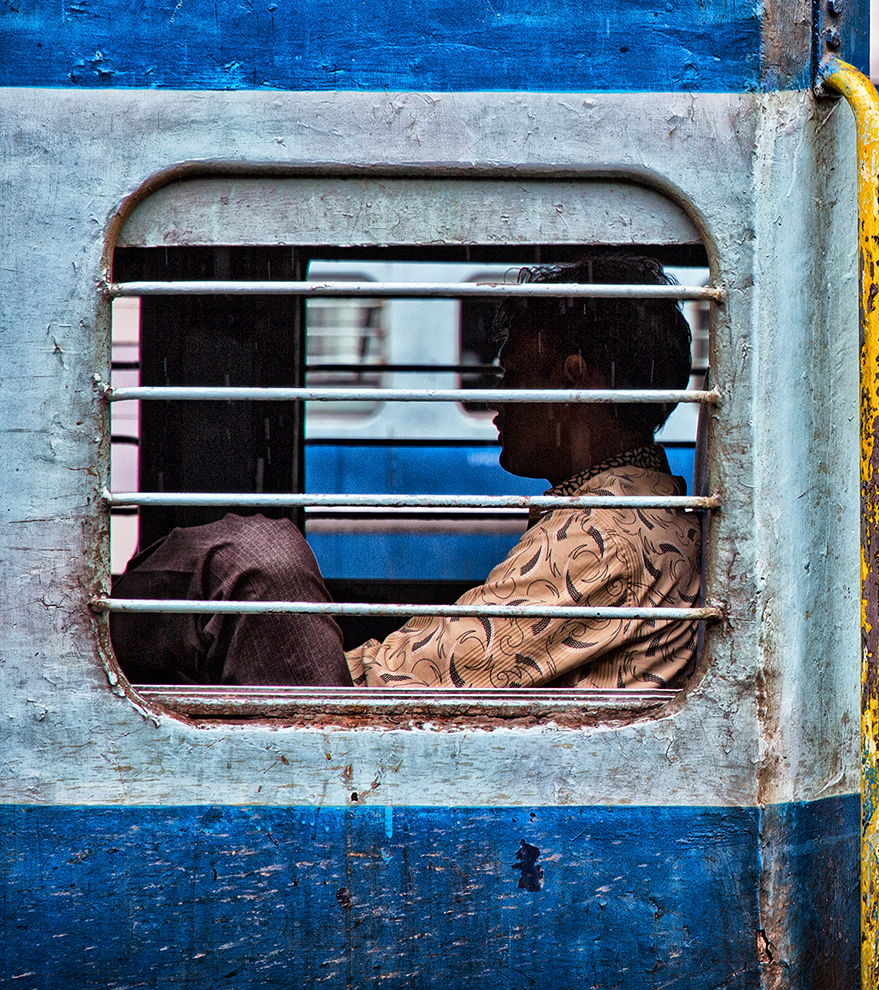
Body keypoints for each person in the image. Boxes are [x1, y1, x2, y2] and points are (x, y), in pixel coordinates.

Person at [108, 255, 704, 690]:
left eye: (513, 375)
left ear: (573, 378)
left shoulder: (608, 538)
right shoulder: (629, 511)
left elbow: (416, 680)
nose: (496, 402)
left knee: (252, 560)